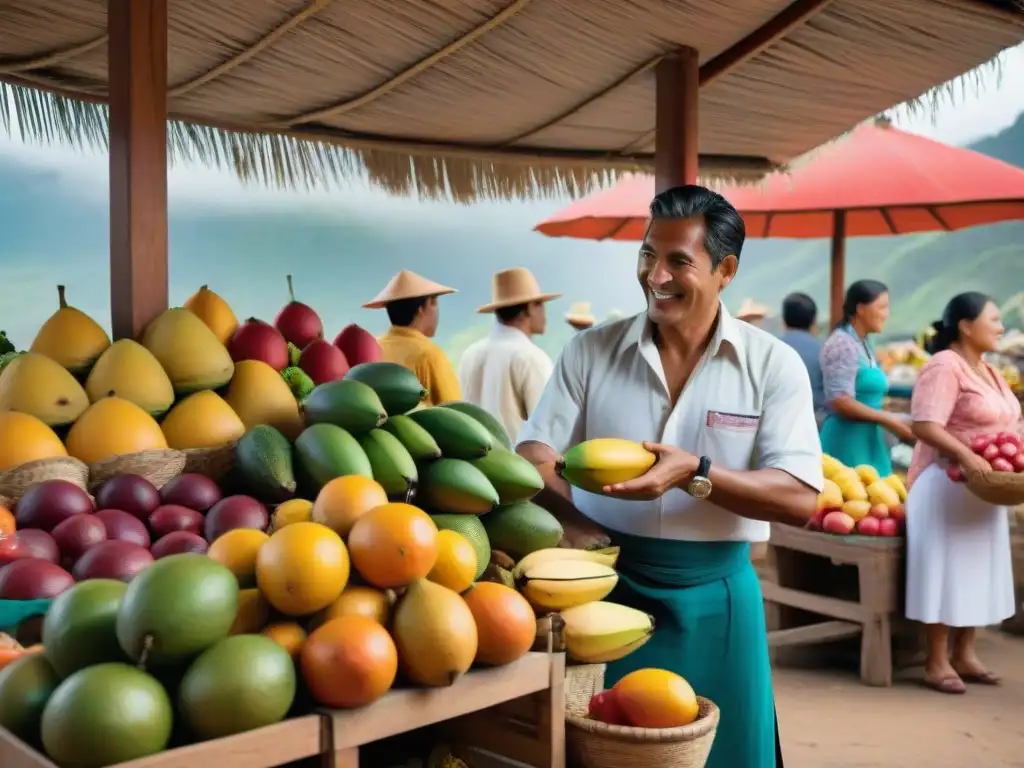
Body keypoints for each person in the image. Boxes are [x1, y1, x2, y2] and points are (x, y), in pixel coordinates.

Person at [516, 184, 821, 768]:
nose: (656, 275)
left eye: (679, 260)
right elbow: (532, 451)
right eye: (647, 256)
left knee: (729, 755)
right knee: (607, 749)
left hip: (721, 598)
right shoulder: (590, 351)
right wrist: (581, 525)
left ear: (725, 269)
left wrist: (696, 473)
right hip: (604, 595)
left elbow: (799, 495)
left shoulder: (770, 363)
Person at [904, 292, 1020, 695]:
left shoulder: (989, 370)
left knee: (976, 572)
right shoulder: (944, 365)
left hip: (984, 491)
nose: (1001, 327)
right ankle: (936, 661)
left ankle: (965, 653)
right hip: (945, 484)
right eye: (995, 318)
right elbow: (924, 425)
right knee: (944, 572)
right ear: (967, 326)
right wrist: (966, 455)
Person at [819, 280, 913, 475]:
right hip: (846, 440)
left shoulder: (863, 343)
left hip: (869, 437)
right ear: (861, 308)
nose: (886, 314)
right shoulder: (842, 344)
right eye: (882, 307)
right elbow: (840, 400)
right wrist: (888, 419)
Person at [459, 267, 559, 442]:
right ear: (529, 308)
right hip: (518, 466)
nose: (544, 312)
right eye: (540, 304)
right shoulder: (531, 357)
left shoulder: (470, 354)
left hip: (474, 466)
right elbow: (547, 431)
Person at [364, 270, 461, 405]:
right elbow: (457, 413)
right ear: (421, 309)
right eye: (434, 303)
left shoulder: (370, 346)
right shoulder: (429, 355)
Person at [779, 292, 826, 426]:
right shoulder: (824, 350)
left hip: (777, 425)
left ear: (784, 319)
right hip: (815, 426)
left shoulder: (770, 348)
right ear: (814, 321)